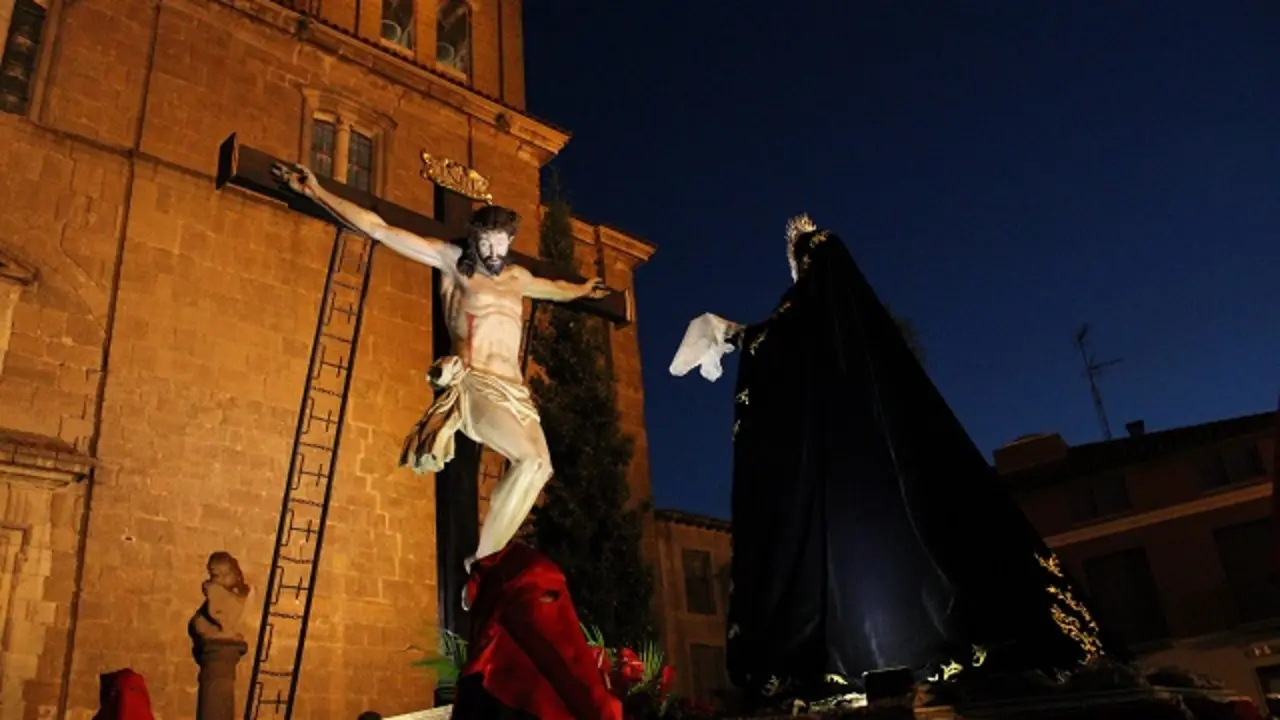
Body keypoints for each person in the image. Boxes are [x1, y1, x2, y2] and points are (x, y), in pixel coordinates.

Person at [671, 215, 1120, 705]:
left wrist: (728, 334)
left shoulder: (815, 320)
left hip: (848, 491)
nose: (798, 283)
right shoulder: (866, 343)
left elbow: (782, 343)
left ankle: (874, 662)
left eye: (800, 268)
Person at [272, 163, 607, 575]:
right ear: (475, 240)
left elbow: (558, 291)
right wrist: (317, 193)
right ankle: (482, 563)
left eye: (502, 244)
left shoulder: (517, 278)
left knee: (540, 465)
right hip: (475, 383)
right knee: (526, 460)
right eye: (487, 243)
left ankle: (487, 558)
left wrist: (585, 290)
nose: (494, 254)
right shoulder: (452, 263)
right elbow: (379, 229)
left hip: (515, 392)